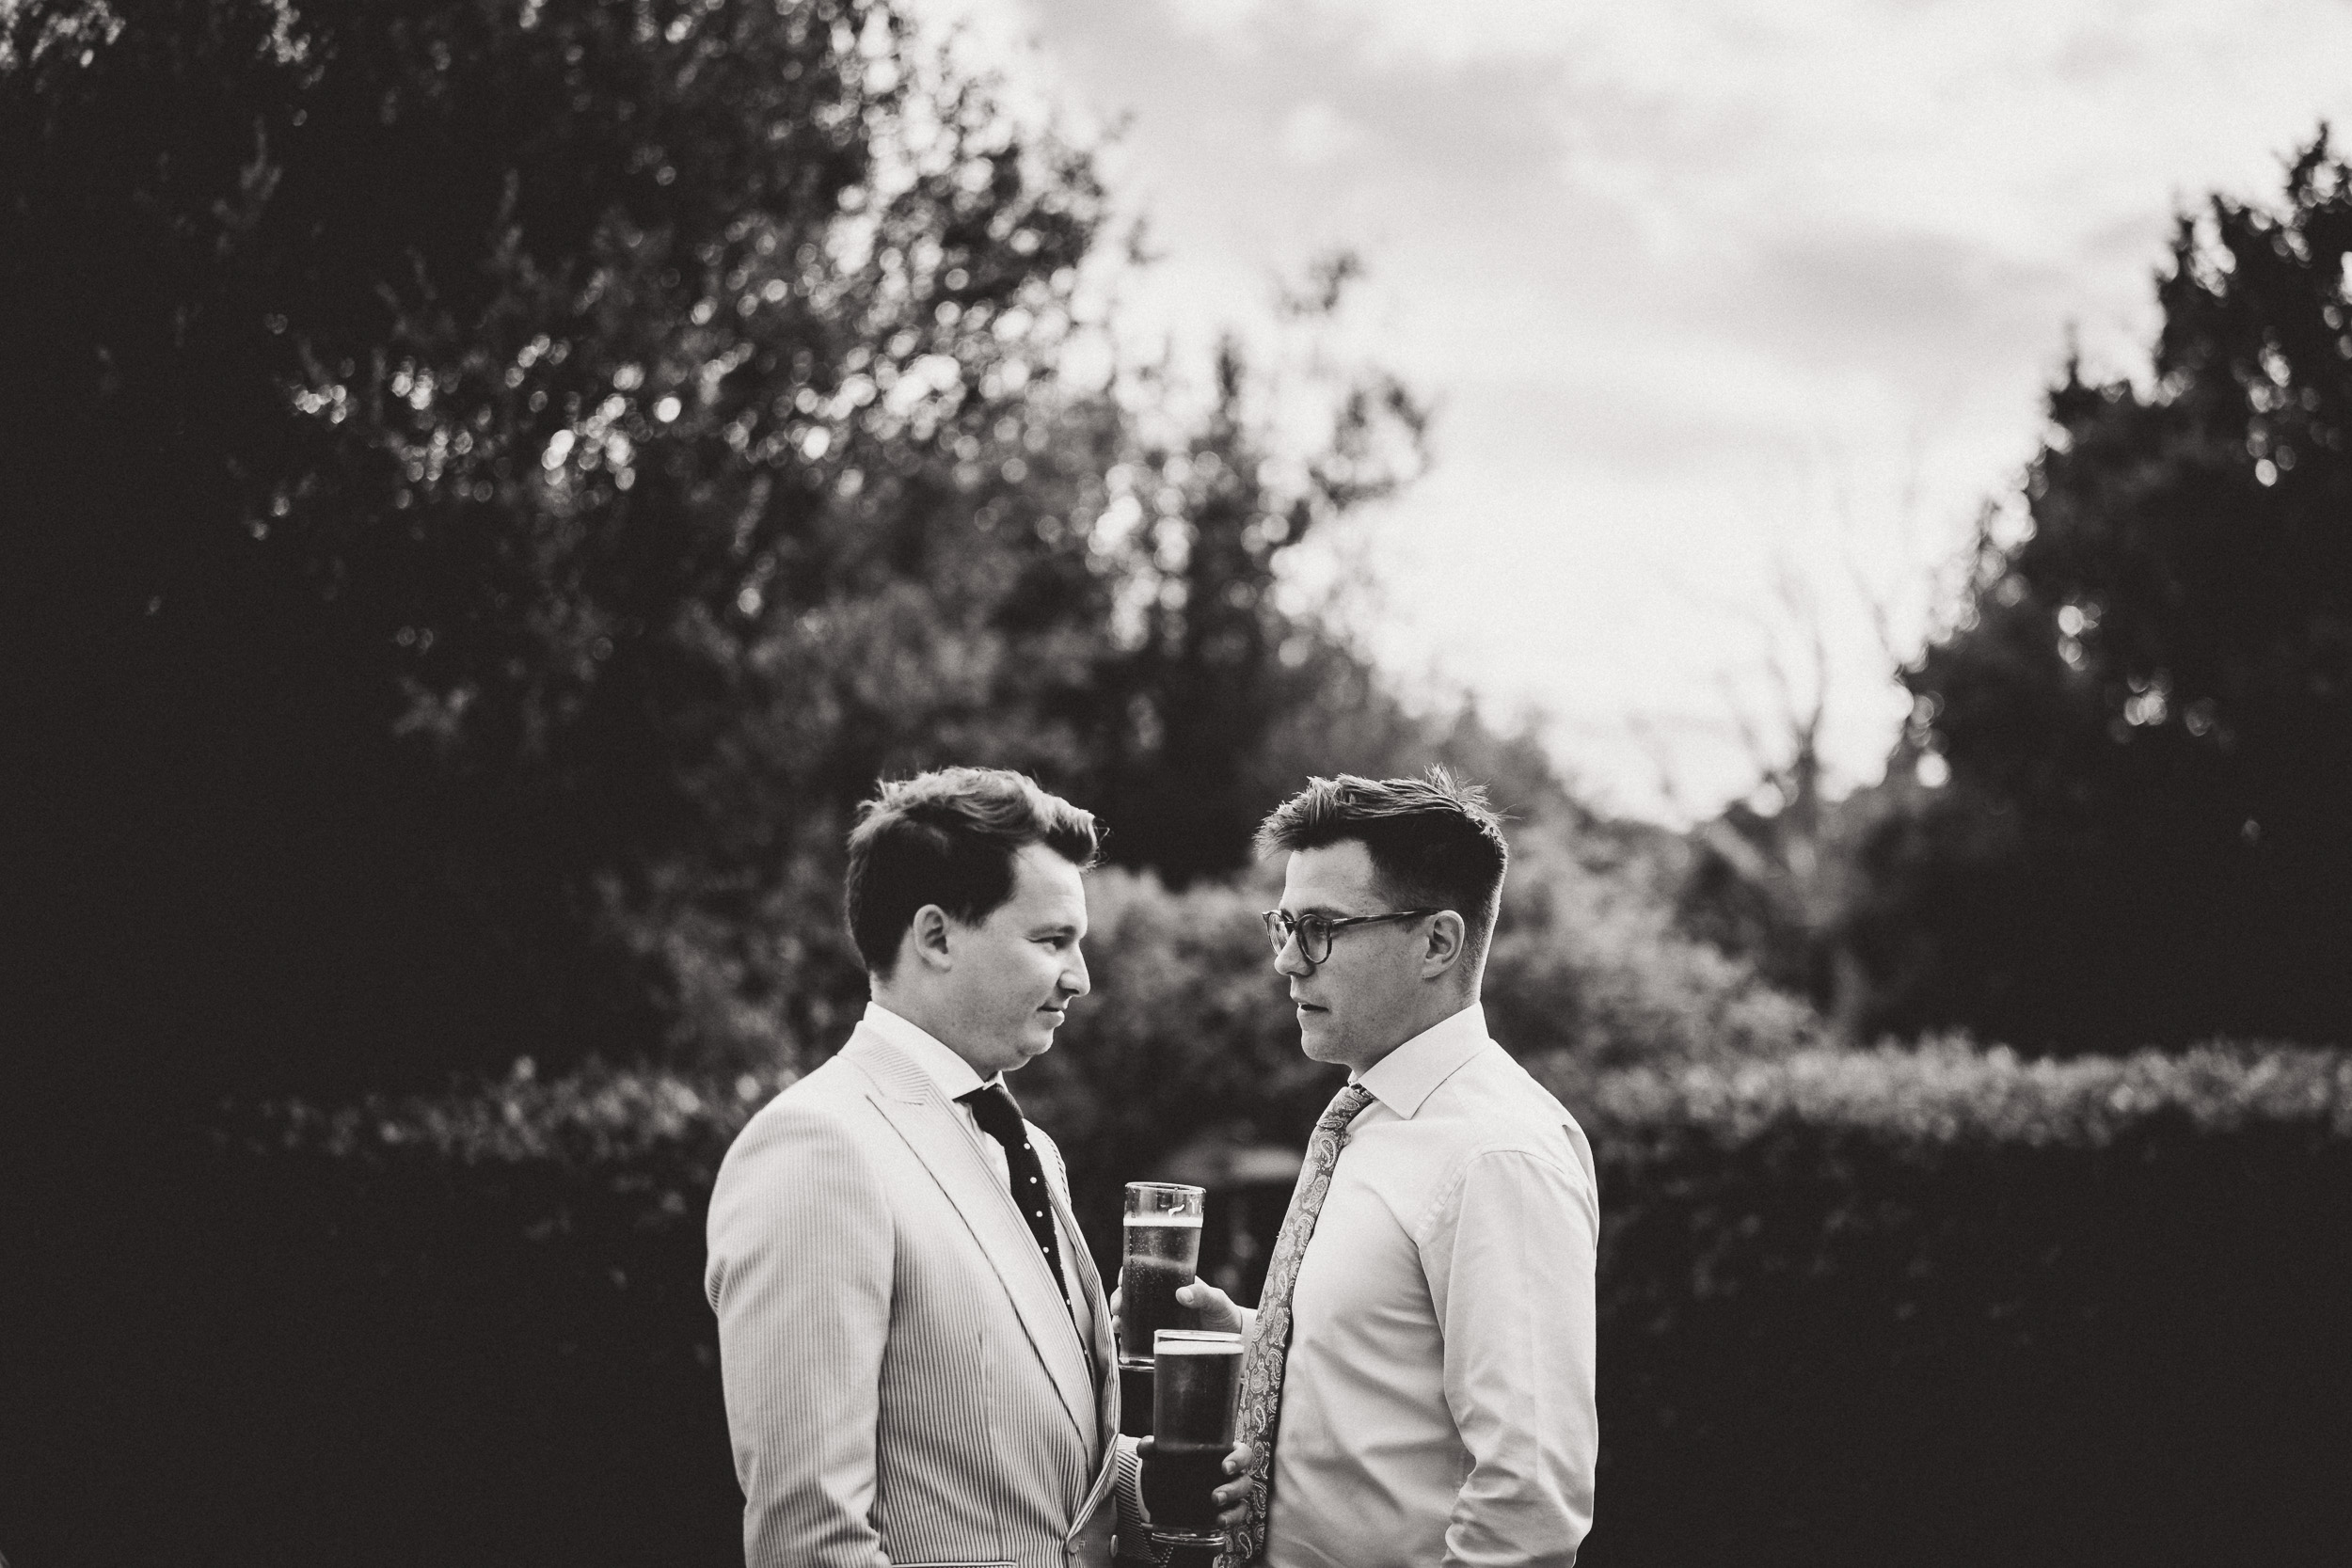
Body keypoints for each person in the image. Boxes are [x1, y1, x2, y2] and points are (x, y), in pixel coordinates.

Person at [1157, 769, 1600, 1568]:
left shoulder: (1498, 1154)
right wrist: (1260, 1341)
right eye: (1284, 924)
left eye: (1322, 927)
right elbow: (1387, 1379)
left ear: (1437, 941)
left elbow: (1528, 1506)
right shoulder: (1368, 1116)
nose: (1288, 961)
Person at [706, 767, 1124, 1568]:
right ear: (935, 936)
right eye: (1051, 940)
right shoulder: (817, 1147)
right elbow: (809, 1540)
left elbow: (1037, 1475)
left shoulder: (1032, 1150)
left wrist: (1170, 1472)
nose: (1081, 977)